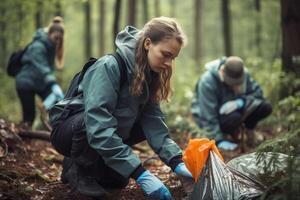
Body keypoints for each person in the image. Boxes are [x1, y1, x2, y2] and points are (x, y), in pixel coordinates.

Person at [50, 16, 193, 199]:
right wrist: (140, 173)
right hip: (71, 131)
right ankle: (78, 170)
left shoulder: (148, 74)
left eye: (173, 58)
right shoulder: (109, 66)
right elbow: (97, 124)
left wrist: (177, 162)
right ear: (148, 43)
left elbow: (154, 122)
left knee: (118, 180)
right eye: (166, 55)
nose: (168, 64)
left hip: (101, 130)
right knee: (91, 123)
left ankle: (98, 165)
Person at [191, 56, 272, 150]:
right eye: (232, 82)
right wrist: (217, 140)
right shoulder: (207, 81)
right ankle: (226, 134)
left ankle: (248, 130)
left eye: (238, 83)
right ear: (222, 72)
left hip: (238, 110)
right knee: (234, 118)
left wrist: (241, 102)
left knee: (265, 107)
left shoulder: (242, 73)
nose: (235, 85)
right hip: (219, 116)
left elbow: (258, 94)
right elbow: (207, 115)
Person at [15, 16, 65, 128]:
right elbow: (43, 67)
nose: (57, 41)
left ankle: (47, 127)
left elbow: (50, 68)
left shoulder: (51, 47)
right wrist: (53, 84)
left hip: (39, 83)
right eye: (56, 38)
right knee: (29, 117)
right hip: (25, 83)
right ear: (50, 34)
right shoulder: (38, 46)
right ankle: (20, 138)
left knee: (55, 104)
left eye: (59, 39)